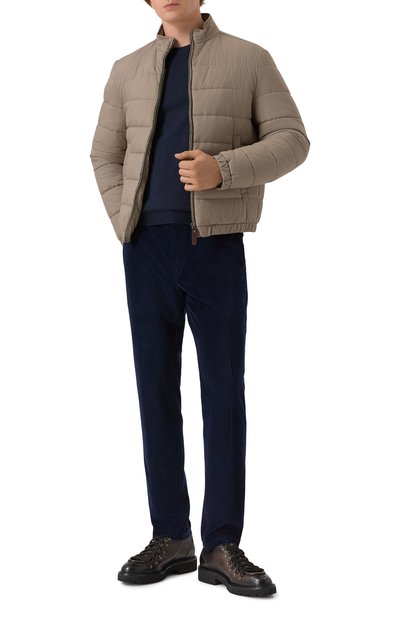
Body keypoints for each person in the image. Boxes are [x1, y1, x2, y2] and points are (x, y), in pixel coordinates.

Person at [89, 0, 310, 598]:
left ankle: (221, 544)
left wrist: (224, 170)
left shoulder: (249, 59)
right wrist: (124, 218)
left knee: (222, 392)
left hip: (214, 247)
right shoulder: (126, 68)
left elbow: (293, 140)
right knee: (155, 391)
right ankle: (171, 536)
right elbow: (104, 153)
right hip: (145, 249)